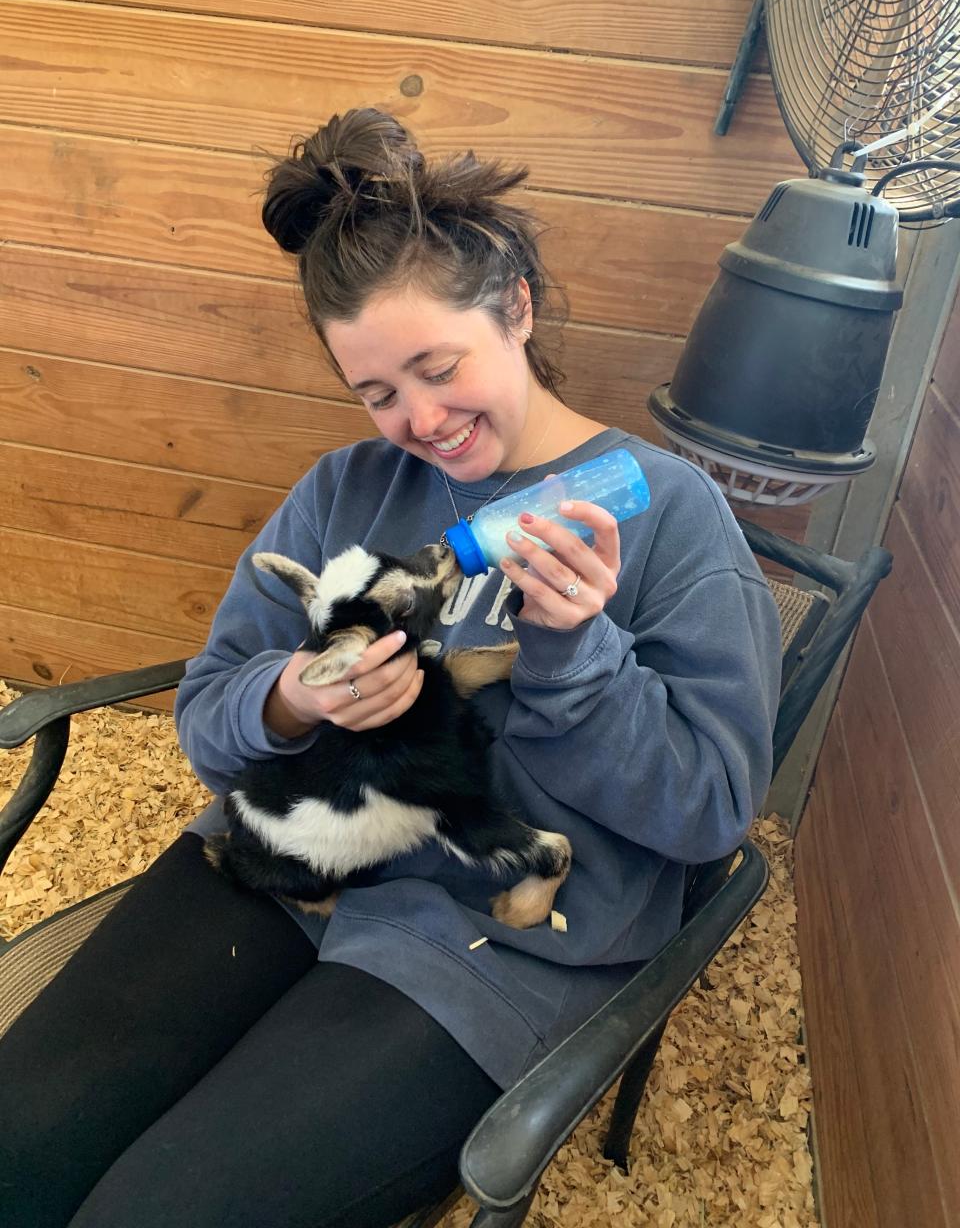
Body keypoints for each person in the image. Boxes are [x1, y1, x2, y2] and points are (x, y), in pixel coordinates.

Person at [0, 108, 782, 1228]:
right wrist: (290, 693)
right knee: (18, 1142)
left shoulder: (667, 514)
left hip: (484, 943)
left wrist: (576, 657)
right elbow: (207, 722)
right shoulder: (343, 491)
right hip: (288, 860)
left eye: (437, 365)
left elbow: (708, 812)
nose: (418, 419)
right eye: (376, 391)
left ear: (514, 306)